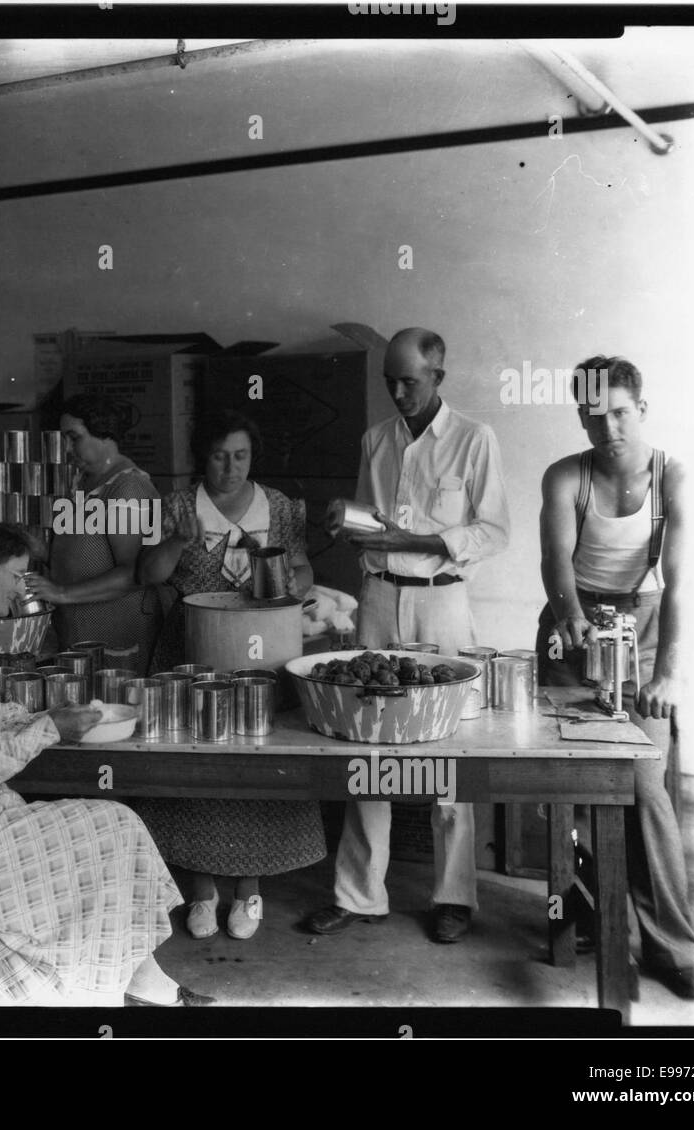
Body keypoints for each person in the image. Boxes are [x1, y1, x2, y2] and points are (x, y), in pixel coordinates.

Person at [0, 520, 212, 1006]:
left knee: (115, 827)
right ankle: (116, 986)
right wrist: (50, 728)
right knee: (103, 836)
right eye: (16, 574)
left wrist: (49, 715)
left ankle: (140, 978)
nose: (23, 587)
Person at [305, 327, 510, 944]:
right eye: (389, 381)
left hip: (441, 604)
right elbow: (375, 524)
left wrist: (416, 542)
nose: (397, 391)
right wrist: (351, 522)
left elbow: (495, 530)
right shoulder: (377, 440)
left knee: (448, 746)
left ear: (438, 378)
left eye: (410, 381)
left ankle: (454, 896)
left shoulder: (475, 440)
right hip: (379, 599)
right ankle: (359, 895)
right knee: (365, 743)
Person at [535, 356, 694, 1001]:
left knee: (643, 785)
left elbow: (682, 585)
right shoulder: (565, 476)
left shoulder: (674, 477)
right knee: (568, 781)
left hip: (645, 631)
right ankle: (585, 907)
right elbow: (555, 562)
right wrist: (573, 620)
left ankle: (672, 944)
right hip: (573, 625)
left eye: (619, 412)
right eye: (591, 414)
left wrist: (667, 675)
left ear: (642, 409)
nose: (607, 427)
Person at [134, 409, 324, 939]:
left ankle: (249, 892)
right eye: (219, 456)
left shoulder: (279, 507)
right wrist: (176, 540)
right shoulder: (175, 504)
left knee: (254, 760)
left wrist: (291, 582)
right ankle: (201, 893)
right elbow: (149, 574)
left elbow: (304, 568)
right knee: (196, 765)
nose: (230, 467)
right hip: (191, 646)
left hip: (260, 649)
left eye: (240, 455)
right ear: (203, 457)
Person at [25, 395, 163, 670]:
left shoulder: (128, 489)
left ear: (104, 434)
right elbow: (87, 554)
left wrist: (61, 592)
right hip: (79, 633)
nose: (66, 447)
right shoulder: (84, 483)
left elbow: (136, 573)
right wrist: (44, 552)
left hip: (119, 635)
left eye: (74, 437)